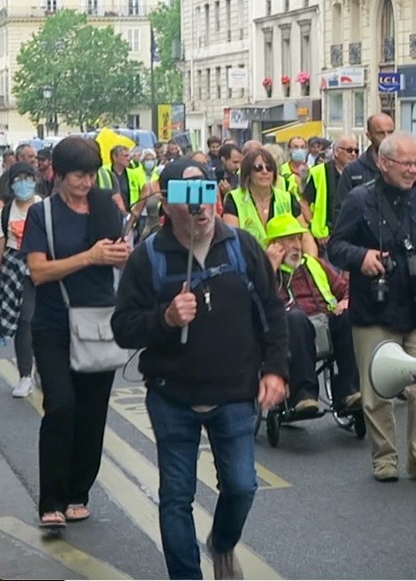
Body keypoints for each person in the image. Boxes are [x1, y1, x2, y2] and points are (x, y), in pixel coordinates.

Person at [112, 159, 288, 580]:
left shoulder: (242, 247)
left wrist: (275, 370)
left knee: (242, 485)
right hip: (172, 395)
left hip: (234, 393)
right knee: (176, 497)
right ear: (168, 206)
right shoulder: (147, 257)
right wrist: (165, 319)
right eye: (188, 198)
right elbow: (123, 328)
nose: (200, 207)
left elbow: (272, 312)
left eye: (207, 194)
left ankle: (223, 542)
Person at [22, 137, 129, 529]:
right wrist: (90, 257)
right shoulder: (42, 215)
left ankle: (77, 493)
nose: (86, 183)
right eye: (78, 176)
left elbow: (116, 259)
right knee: (61, 405)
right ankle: (50, 499)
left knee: (92, 413)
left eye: (91, 174)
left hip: (99, 321)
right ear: (59, 174)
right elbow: (38, 271)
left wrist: (119, 256)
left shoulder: (105, 206)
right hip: (54, 323)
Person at [329, 132, 416, 482]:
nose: (414, 169)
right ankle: (384, 458)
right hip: (375, 308)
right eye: (407, 163)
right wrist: (361, 256)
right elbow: (336, 247)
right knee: (377, 389)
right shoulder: (358, 200)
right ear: (383, 163)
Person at [263, 214, 360, 416]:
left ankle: (349, 391)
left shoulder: (314, 264)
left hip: (325, 321)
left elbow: (346, 288)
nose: (297, 245)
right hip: (293, 328)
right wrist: (270, 267)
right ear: (274, 245)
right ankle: (304, 396)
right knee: (296, 318)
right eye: (290, 240)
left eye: (299, 239)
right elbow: (258, 302)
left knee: (349, 315)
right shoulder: (265, 271)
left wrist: (345, 301)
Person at [223, 148, 318, 256]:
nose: (265, 171)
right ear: (248, 172)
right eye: (258, 168)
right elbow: (232, 242)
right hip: (250, 266)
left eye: (269, 168)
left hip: (286, 266)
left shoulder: (287, 198)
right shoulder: (233, 199)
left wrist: (311, 264)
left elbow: (306, 237)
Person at [1, 162, 42, 398]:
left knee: (45, 321)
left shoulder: (43, 205)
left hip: (44, 264)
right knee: (24, 320)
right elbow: (2, 242)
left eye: (27, 178)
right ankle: (25, 375)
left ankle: (43, 370)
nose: (23, 184)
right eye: (18, 180)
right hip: (16, 268)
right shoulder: (6, 211)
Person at [333, 113, 395, 221]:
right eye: (380, 133)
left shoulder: (402, 166)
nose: (387, 138)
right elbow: (341, 211)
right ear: (369, 136)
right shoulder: (353, 170)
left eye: (390, 132)